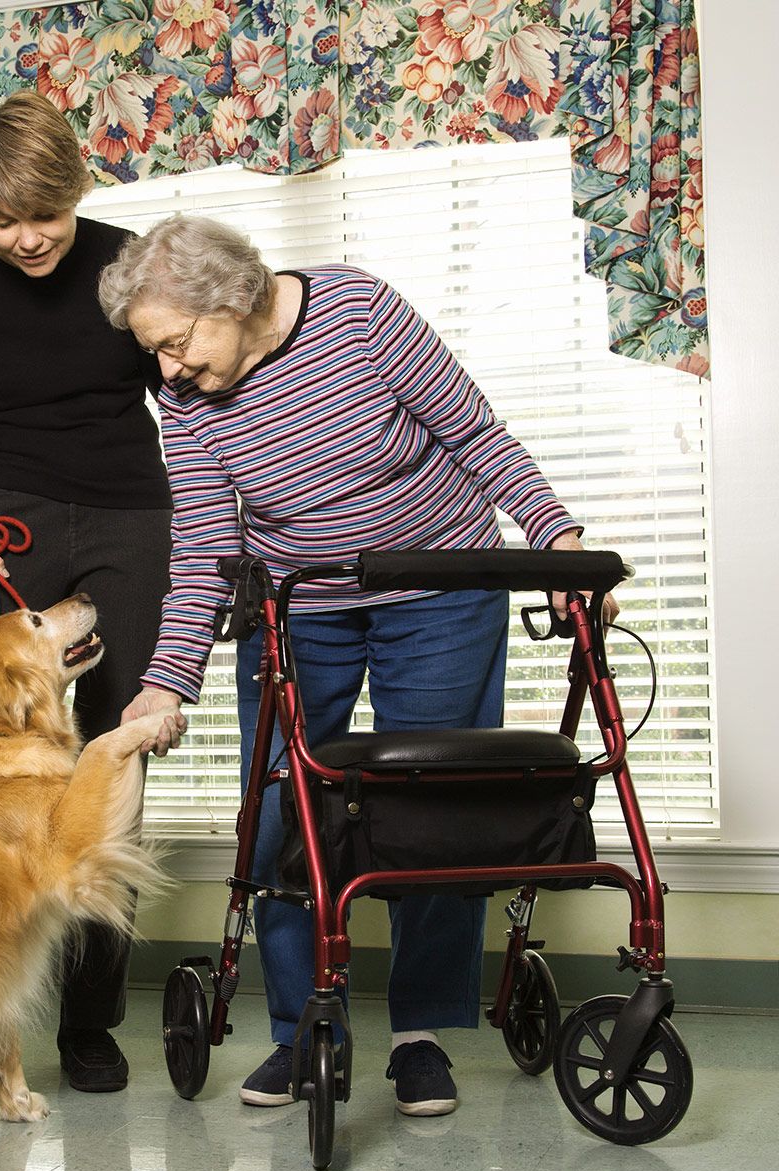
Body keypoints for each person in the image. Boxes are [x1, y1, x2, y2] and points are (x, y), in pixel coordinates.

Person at [98, 214, 616, 1114]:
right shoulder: (182, 400)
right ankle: (302, 1029)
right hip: (300, 608)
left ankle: (421, 1034)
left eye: (176, 344)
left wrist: (559, 545)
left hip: (439, 588)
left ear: (233, 299)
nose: (169, 370)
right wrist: (163, 683)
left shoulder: (359, 313)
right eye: (156, 353)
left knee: (436, 807)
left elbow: (477, 438)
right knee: (280, 807)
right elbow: (206, 552)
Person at [0, 92, 176, 1094]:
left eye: (46, 217)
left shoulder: (126, 266)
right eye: (3, 221)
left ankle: (91, 1021)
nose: (27, 240)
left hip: (129, 519)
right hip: (7, 526)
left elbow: (186, 405)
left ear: (77, 190)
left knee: (112, 771)